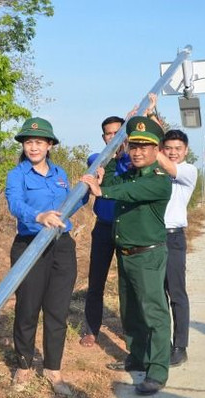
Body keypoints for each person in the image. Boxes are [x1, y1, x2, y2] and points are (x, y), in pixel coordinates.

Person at [81, 116, 172, 396]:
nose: (137, 151)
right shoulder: (128, 174)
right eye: (134, 145)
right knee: (130, 308)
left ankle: (157, 369)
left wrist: (103, 190)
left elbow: (128, 192)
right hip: (127, 254)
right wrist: (102, 176)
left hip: (148, 255)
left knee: (153, 311)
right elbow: (115, 180)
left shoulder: (158, 180)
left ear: (157, 150)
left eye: (145, 146)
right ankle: (137, 356)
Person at [5, 117, 79, 396]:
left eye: (39, 142)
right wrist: (38, 216)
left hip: (61, 248)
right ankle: (23, 367)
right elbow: (15, 203)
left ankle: (53, 369)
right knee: (27, 308)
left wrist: (87, 188)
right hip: (30, 244)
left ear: (49, 145)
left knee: (57, 311)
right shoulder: (18, 175)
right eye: (28, 142)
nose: (33, 147)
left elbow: (71, 204)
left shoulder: (60, 174)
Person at [80, 116, 131, 348]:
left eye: (117, 133)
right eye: (109, 134)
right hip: (103, 227)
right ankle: (91, 329)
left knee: (128, 283)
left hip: (127, 228)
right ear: (104, 137)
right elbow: (95, 166)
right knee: (96, 281)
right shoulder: (97, 160)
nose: (113, 138)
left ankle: (131, 333)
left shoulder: (131, 162)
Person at [157, 129, 198, 366]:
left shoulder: (187, 171)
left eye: (178, 149)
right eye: (168, 148)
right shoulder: (153, 169)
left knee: (176, 293)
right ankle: (159, 344)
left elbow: (168, 165)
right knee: (155, 294)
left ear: (186, 151)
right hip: (151, 238)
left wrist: (154, 140)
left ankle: (180, 345)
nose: (173, 153)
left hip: (173, 238)